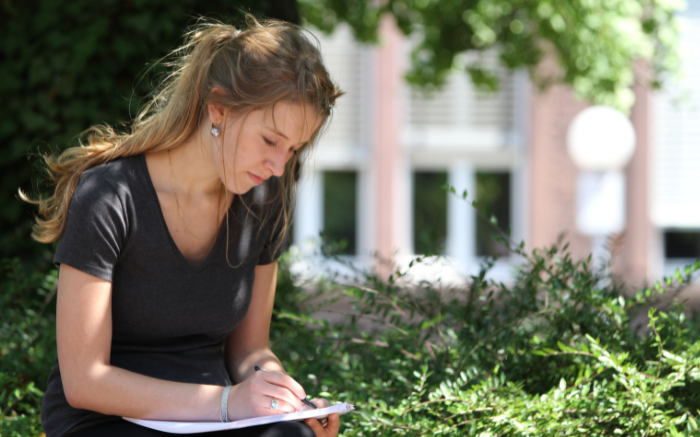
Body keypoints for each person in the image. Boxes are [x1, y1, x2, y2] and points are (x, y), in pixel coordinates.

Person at [22, 15, 343, 437]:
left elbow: (250, 350)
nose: (278, 167)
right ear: (219, 108)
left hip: (211, 420)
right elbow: (85, 380)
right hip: (104, 421)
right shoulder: (109, 196)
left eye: (293, 149)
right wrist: (228, 404)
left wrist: (284, 401)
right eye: (269, 140)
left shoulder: (264, 201)